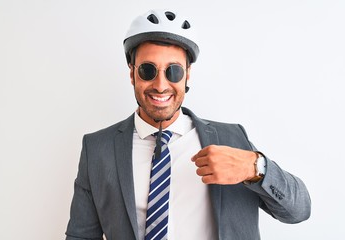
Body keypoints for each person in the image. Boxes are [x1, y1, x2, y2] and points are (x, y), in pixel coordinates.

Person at [65, 9, 311, 240]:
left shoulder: (231, 137)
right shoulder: (97, 149)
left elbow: (299, 211)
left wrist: (256, 167)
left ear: (188, 75)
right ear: (132, 73)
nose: (161, 85)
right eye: (148, 70)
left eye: (173, 71)